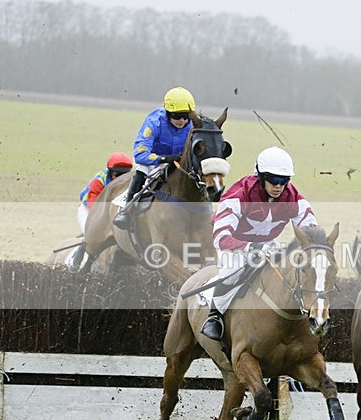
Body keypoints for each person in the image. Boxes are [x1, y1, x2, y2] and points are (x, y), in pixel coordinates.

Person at [199, 146, 317, 341]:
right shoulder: (239, 195)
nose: (279, 186)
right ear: (261, 177)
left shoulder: (292, 196)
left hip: (268, 243)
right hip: (234, 244)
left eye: (284, 181)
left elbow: (311, 229)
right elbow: (221, 238)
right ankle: (214, 316)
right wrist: (252, 248)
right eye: (274, 180)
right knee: (233, 270)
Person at [113, 86, 196, 230]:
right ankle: (127, 210)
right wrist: (164, 159)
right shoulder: (154, 122)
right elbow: (140, 154)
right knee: (142, 170)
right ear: (167, 112)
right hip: (152, 160)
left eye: (186, 115)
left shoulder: (193, 125)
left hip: (179, 161)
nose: (182, 120)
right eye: (177, 116)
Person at [68, 152, 133, 269]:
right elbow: (94, 207)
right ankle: (77, 261)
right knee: (92, 236)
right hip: (90, 210)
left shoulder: (130, 181)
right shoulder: (99, 180)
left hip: (108, 212)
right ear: (110, 171)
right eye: (117, 174)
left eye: (124, 174)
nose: (120, 178)